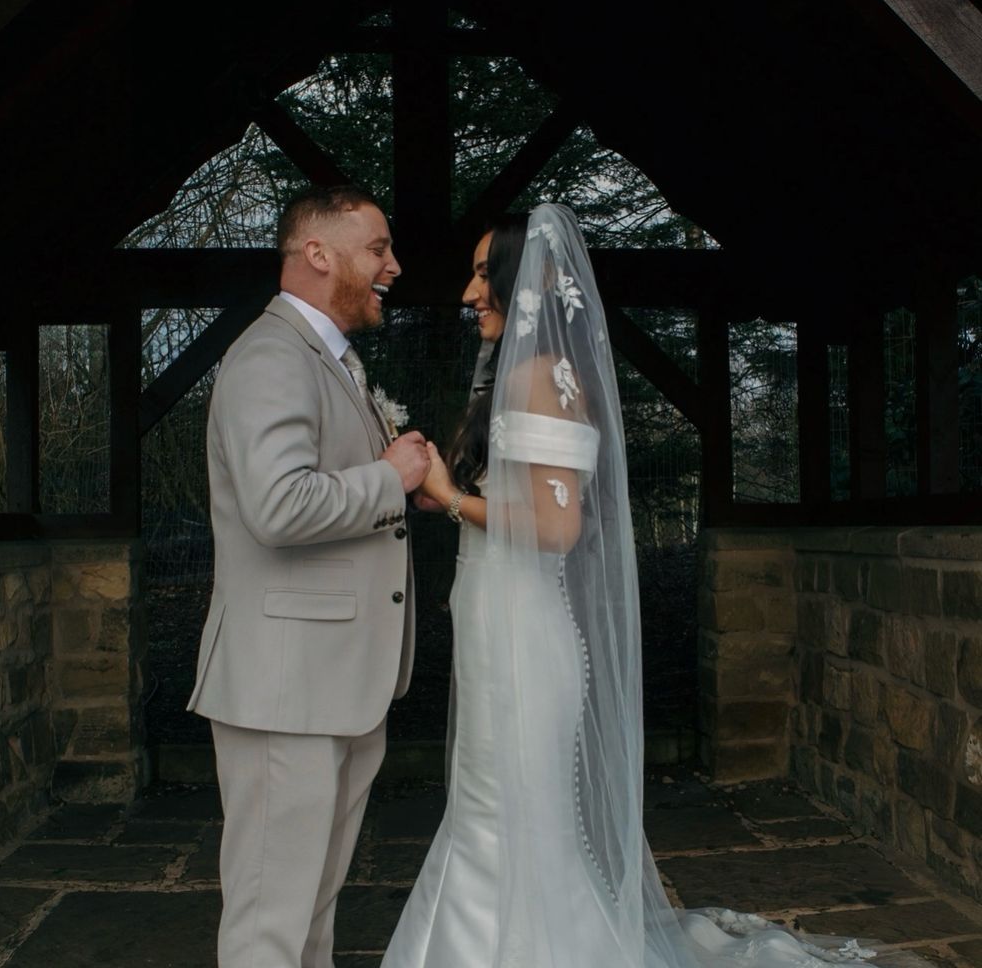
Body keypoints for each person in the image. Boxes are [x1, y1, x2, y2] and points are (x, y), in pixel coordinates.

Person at [384, 204, 879, 967]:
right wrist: (451, 493)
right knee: (492, 802)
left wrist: (452, 499)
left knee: (508, 807)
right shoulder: (518, 375)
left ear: (524, 282)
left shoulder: (541, 379)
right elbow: (519, 505)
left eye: (484, 273)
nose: (468, 292)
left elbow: (558, 526)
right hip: (499, 628)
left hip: (523, 640)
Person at [188, 185, 429, 968]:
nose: (393, 265)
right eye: (378, 248)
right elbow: (279, 505)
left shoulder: (328, 358)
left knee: (310, 910)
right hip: (285, 684)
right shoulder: (272, 355)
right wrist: (390, 479)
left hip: (330, 681)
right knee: (270, 920)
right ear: (318, 253)